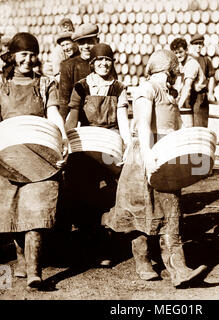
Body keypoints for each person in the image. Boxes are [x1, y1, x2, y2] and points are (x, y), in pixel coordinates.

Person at [104, 50, 207, 287]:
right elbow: (142, 127)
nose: (175, 77)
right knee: (141, 212)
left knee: (171, 211)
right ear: (167, 70)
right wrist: (149, 158)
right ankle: (143, 262)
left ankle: (179, 269)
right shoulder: (146, 89)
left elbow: (177, 127)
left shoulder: (170, 95)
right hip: (144, 156)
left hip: (167, 156)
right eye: (174, 71)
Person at [0, 32, 68, 289]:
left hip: (40, 154)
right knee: (10, 210)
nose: (28, 59)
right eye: (23, 54)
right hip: (6, 154)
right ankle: (21, 258)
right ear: (12, 56)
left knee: (36, 207)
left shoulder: (45, 83)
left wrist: (63, 138)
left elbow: (53, 113)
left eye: (32, 54)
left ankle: (34, 270)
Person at [64, 43, 131, 266]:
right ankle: (84, 244)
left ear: (112, 63)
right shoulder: (81, 86)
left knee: (113, 190)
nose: (104, 64)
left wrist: (127, 145)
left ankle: (107, 246)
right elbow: (73, 117)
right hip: (87, 142)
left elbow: (122, 121)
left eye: (108, 60)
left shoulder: (119, 88)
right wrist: (66, 139)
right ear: (92, 64)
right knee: (82, 189)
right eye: (99, 61)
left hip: (110, 143)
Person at [59, 23, 99, 121]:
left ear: (97, 41)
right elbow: (64, 101)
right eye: (81, 43)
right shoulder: (68, 66)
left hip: (101, 120)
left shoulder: (105, 64)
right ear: (77, 45)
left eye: (90, 42)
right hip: (78, 120)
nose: (86, 46)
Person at [170, 37, 211, 127]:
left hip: (199, 96)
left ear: (186, 50)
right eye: (176, 53)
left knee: (198, 126)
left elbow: (187, 86)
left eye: (181, 52)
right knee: (187, 125)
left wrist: (178, 106)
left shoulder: (191, 63)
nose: (178, 55)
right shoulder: (180, 63)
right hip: (190, 95)